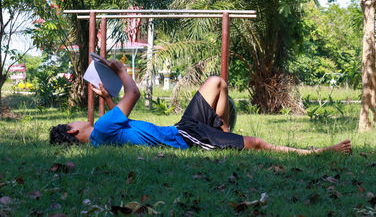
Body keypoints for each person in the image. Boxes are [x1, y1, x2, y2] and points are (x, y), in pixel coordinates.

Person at [50, 59, 352, 155]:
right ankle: (318, 153)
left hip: (183, 128)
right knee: (258, 143)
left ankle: (223, 134)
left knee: (217, 83)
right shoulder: (101, 130)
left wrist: (106, 99)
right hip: (186, 137)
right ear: (73, 130)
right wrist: (119, 71)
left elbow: (120, 123)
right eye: (77, 121)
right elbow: (135, 93)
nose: (82, 119)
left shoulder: (102, 137)